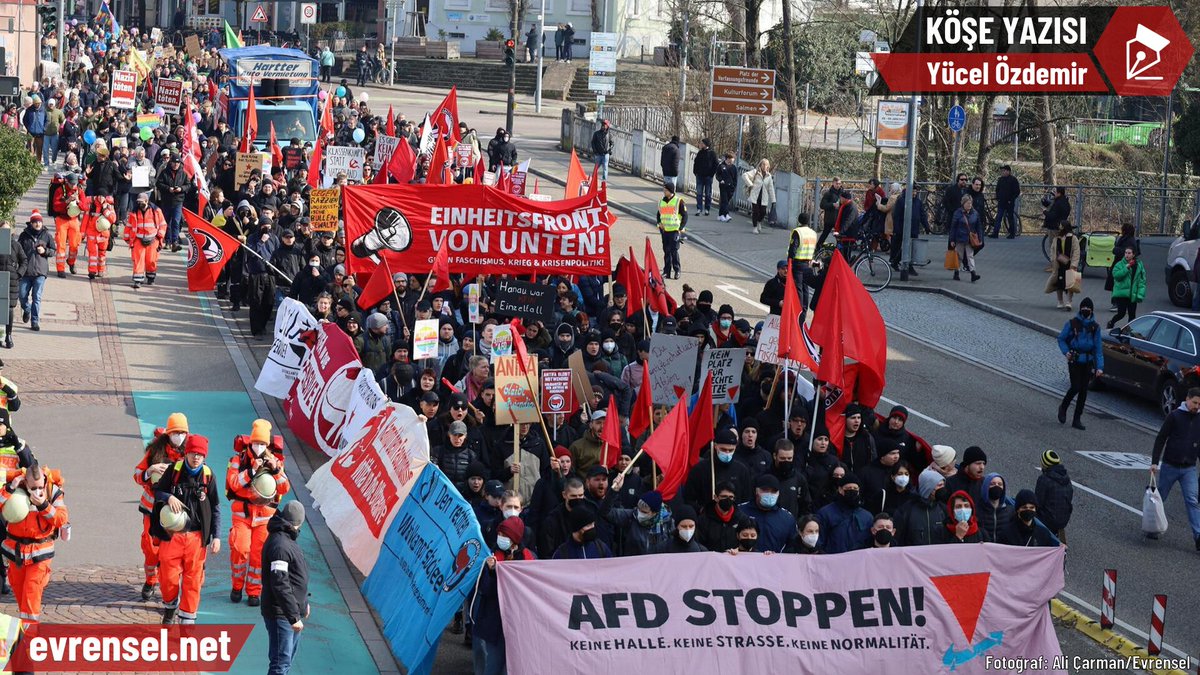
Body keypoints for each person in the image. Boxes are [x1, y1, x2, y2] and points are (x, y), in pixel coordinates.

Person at [152, 435, 222, 624]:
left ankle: (187, 619)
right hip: (172, 535)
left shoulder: (208, 476)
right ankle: (170, 605)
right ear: (186, 453)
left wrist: (217, 536)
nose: (196, 457)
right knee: (168, 576)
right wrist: (168, 497)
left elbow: (215, 506)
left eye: (200, 454)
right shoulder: (173, 470)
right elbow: (157, 491)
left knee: (193, 580)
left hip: (197, 538)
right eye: (193, 453)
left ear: (204, 457)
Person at [226, 420, 290, 606]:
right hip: (242, 516)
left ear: (267, 445)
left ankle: (254, 592)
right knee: (240, 550)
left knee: (258, 556)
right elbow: (233, 483)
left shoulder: (275, 461)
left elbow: (284, 487)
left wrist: (276, 470)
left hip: (264, 518)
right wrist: (252, 471)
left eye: (262, 444)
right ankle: (236, 586)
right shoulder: (239, 460)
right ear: (250, 443)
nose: (259, 447)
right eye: (256, 443)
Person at [0, 462, 67, 627]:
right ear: (25, 482)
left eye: (39, 487)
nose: (37, 491)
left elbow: (61, 518)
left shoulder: (52, 491)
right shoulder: (14, 489)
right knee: (19, 590)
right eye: (33, 487)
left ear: (44, 480)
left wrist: (44, 505)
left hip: (40, 552)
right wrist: (10, 488)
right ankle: (26, 629)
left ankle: (30, 636)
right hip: (15, 552)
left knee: (31, 591)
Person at [133, 413, 189, 601]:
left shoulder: (189, 454)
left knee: (170, 552)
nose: (179, 436)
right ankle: (150, 580)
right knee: (150, 548)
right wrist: (150, 471)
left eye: (182, 432)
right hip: (152, 508)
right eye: (176, 432)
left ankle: (169, 588)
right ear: (169, 433)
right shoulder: (155, 451)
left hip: (175, 510)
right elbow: (137, 474)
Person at [261, 501, 309, 675]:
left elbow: (294, 578)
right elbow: (280, 584)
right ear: (298, 522)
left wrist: (304, 604)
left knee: (284, 662)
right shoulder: (281, 545)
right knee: (280, 664)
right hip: (281, 614)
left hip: (288, 612)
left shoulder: (285, 539)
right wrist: (293, 616)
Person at [1149, 388, 1200, 548]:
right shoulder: (1175, 416)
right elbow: (1161, 438)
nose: (1197, 406)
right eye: (1195, 402)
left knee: (1192, 500)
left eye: (1199, 404)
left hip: (1189, 468)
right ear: (1187, 399)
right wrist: (1154, 462)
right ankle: (1153, 527)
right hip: (1170, 466)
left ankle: (1198, 537)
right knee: (1160, 498)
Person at [1056, 297, 1103, 430]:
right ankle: (1063, 407)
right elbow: (1061, 339)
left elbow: (1098, 349)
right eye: (1084, 308)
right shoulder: (1072, 323)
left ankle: (1077, 419)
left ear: (1092, 310)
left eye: (1088, 308)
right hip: (1074, 360)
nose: (1086, 310)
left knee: (1083, 391)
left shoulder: (1095, 327)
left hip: (1088, 362)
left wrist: (1099, 367)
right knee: (1075, 387)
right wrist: (1066, 352)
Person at [15, 211, 55, 332]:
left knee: (36, 297)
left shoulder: (47, 235)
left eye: (39, 222)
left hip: (40, 272)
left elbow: (53, 250)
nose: (38, 224)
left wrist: (45, 251)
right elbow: (18, 251)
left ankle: (35, 321)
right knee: (22, 296)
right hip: (26, 272)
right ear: (31, 223)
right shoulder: (24, 235)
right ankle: (27, 310)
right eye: (35, 222)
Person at [815, 473, 872, 554]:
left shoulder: (867, 517)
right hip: (833, 561)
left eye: (855, 488)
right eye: (848, 488)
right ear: (840, 490)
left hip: (859, 562)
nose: (852, 490)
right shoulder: (825, 513)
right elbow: (819, 542)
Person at [739, 474, 795, 552]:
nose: (769, 494)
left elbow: (791, 546)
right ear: (756, 491)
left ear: (778, 493)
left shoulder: (787, 518)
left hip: (775, 562)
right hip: (743, 561)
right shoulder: (740, 511)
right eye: (765, 490)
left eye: (773, 491)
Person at [124, 192, 166, 288]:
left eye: (141, 202)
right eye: (138, 202)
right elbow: (129, 226)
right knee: (138, 260)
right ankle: (138, 280)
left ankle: (151, 277)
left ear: (147, 201)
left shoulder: (156, 211)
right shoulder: (133, 212)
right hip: (138, 239)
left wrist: (160, 237)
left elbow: (163, 224)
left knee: (151, 260)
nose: (139, 204)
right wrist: (127, 239)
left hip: (153, 239)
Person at [895, 467, 946, 546]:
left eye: (943, 485)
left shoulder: (943, 509)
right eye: (939, 485)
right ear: (928, 487)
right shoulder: (905, 511)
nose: (942, 489)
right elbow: (899, 539)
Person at [1035, 450, 1073, 544]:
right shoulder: (1067, 479)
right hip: (1063, 520)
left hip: (1048, 521)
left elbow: (1037, 503)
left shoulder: (1044, 479)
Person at [49, 172, 82, 277]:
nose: (73, 186)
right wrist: (67, 201)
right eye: (71, 184)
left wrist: (78, 202)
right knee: (61, 245)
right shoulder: (60, 190)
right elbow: (55, 206)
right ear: (67, 182)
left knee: (74, 244)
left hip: (74, 220)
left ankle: (71, 262)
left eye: (75, 184)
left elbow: (85, 207)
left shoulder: (79, 191)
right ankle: (60, 269)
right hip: (61, 219)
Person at [1045, 221, 1080, 311]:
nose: (1059, 227)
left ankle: (1069, 301)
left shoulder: (1073, 238)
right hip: (1059, 264)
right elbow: (1053, 250)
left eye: (1060, 226)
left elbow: (1076, 252)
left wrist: (1074, 264)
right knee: (1059, 283)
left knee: (1070, 283)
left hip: (1070, 264)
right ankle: (1060, 301)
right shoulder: (1057, 238)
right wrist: (1053, 260)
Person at [1107, 247, 1146, 329]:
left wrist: (1140, 294)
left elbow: (1142, 280)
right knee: (1121, 314)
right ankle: (1111, 322)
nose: (1127, 255)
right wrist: (1126, 268)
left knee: (1132, 315)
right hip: (1122, 294)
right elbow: (1116, 276)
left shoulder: (1138, 265)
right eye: (1126, 253)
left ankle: (1129, 330)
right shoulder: (1119, 264)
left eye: (1129, 253)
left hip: (1132, 293)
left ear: (1133, 254)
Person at [948, 194, 981, 283]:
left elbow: (978, 227)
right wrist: (952, 239)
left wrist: (980, 238)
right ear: (963, 203)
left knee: (970, 256)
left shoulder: (975, 213)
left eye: (970, 203)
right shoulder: (957, 213)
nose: (969, 205)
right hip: (959, 238)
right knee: (959, 256)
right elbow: (953, 227)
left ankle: (973, 273)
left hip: (970, 239)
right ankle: (956, 272)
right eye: (967, 203)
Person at [656, 183, 686, 279]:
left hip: (674, 230)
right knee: (666, 251)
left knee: (674, 251)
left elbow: (685, 215)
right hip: (665, 231)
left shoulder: (678, 201)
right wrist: (659, 223)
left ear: (671, 191)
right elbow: (658, 214)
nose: (664, 192)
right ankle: (666, 272)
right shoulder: (661, 202)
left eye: (665, 190)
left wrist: (680, 228)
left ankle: (677, 270)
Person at [744, 159, 775, 235]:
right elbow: (744, 175)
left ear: (768, 166)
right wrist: (750, 184)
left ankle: (759, 222)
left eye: (766, 165)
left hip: (763, 197)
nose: (765, 166)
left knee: (763, 212)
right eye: (763, 164)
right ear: (760, 165)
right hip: (755, 196)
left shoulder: (769, 176)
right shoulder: (755, 172)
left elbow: (771, 189)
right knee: (755, 212)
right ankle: (754, 227)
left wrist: (773, 200)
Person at [990, 165, 1021, 238]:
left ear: (1008, 171)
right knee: (999, 217)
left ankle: (1012, 233)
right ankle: (995, 233)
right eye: (1002, 171)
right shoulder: (1001, 179)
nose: (1002, 172)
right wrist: (998, 197)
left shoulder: (1013, 180)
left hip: (1009, 202)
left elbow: (1017, 191)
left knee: (1010, 217)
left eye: (1004, 171)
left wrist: (1011, 199)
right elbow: (997, 189)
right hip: (1001, 201)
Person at [692, 138, 718, 216]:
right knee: (699, 193)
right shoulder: (700, 153)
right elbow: (696, 163)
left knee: (708, 193)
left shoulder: (712, 153)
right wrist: (695, 172)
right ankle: (699, 209)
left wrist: (711, 174)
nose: (701, 144)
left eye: (702, 143)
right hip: (699, 175)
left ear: (706, 144)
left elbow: (715, 164)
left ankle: (707, 209)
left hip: (708, 177)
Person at [715, 152, 738, 222]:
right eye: (730, 160)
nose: (731, 161)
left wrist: (734, 186)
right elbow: (717, 175)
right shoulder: (721, 166)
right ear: (727, 158)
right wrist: (720, 180)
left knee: (726, 201)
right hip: (723, 186)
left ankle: (720, 215)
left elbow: (735, 178)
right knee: (724, 200)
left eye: (733, 160)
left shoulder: (734, 167)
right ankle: (726, 214)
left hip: (730, 187)